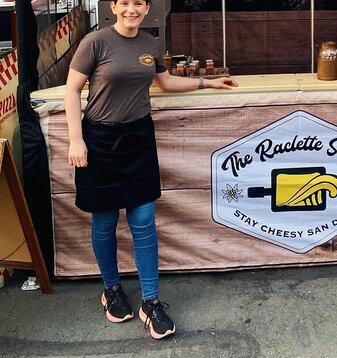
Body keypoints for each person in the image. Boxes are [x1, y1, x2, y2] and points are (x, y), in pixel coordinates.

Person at [65, 0, 238, 339]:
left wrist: (209, 82)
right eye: (125, 3)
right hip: (99, 139)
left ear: (146, 8)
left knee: (143, 220)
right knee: (105, 220)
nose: (131, 9)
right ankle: (111, 289)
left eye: (138, 4)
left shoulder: (150, 44)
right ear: (114, 6)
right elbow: (72, 90)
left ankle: (150, 301)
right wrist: (75, 140)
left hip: (138, 137)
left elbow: (166, 83)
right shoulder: (95, 42)